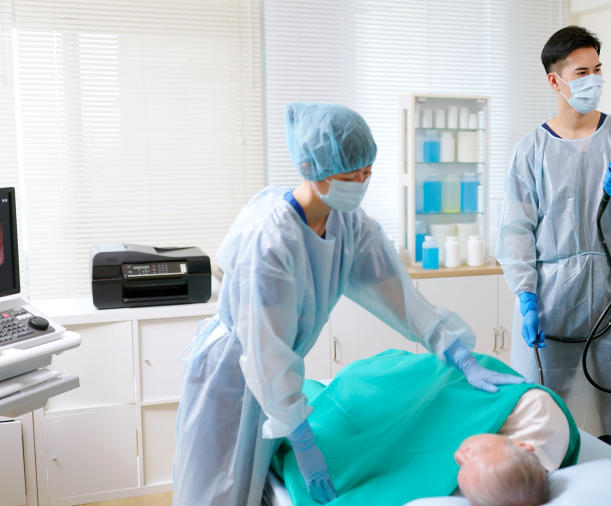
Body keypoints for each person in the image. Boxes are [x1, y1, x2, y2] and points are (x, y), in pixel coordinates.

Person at [172, 103, 522, 506]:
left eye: (367, 172)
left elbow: (401, 298)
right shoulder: (269, 241)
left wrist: (456, 351)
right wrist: (301, 440)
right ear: (311, 167)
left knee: (252, 489)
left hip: (271, 374)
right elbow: (266, 353)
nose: (361, 181)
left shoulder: (348, 223)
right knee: (218, 490)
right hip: (232, 375)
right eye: (350, 174)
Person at [495, 25, 611, 457]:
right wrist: (527, 298)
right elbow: (516, 231)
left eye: (597, 69)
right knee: (550, 421)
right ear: (554, 81)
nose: (593, 80)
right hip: (554, 304)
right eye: (581, 72)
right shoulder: (530, 150)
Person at [269, 349, 580, 506]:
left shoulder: (503, 482)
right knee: (363, 397)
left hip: (430, 424)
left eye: (461, 467)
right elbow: (449, 392)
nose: (459, 455)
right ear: (522, 446)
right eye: (474, 455)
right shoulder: (540, 417)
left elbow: (428, 468)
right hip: (435, 390)